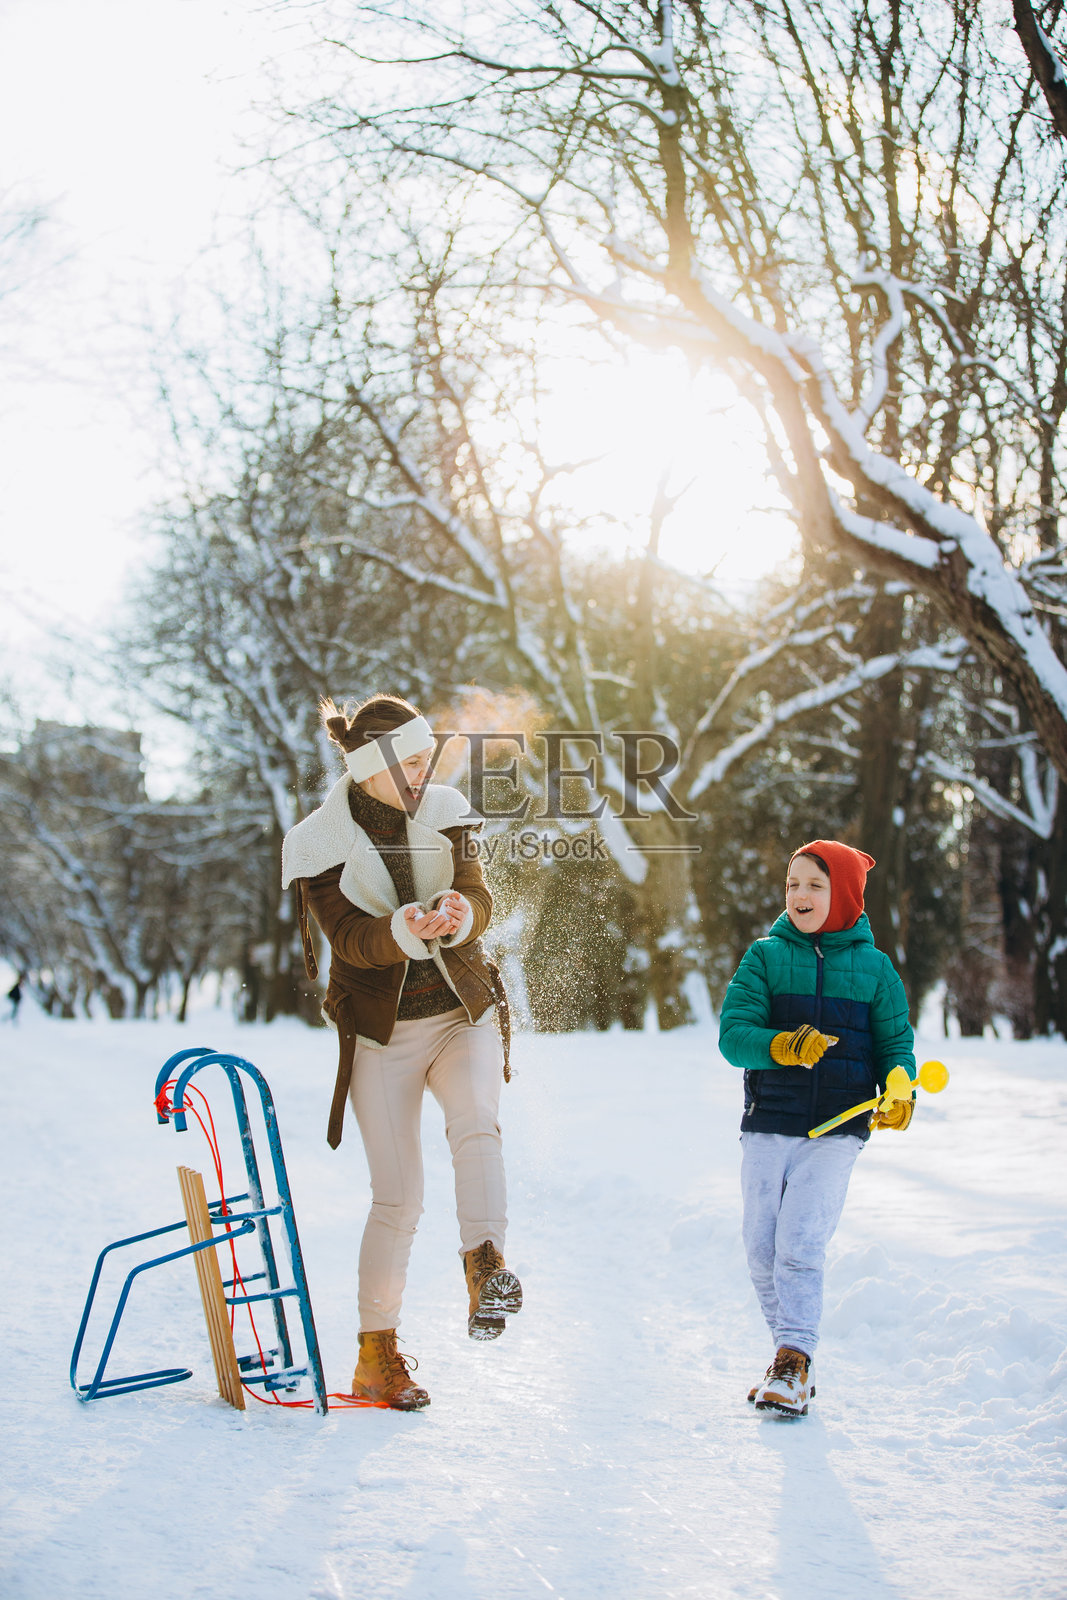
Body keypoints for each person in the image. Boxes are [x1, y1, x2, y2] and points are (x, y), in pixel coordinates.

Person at [281, 693, 520, 1410]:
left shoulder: (443, 810)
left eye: (425, 759)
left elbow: (479, 893)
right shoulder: (318, 842)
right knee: (398, 1197)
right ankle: (375, 1357)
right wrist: (403, 928)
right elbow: (349, 938)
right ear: (371, 766)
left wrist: (461, 913)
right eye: (410, 761)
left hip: (458, 1012)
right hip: (379, 1035)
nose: (422, 772)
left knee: (477, 1120)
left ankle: (486, 1269)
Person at [717, 839, 915, 1417]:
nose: (800, 895)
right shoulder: (766, 957)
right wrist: (782, 1045)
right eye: (793, 884)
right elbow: (734, 1037)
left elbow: (894, 1046)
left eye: (815, 885)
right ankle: (790, 1358)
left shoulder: (876, 970)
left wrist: (899, 1087)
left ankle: (792, 1360)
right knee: (761, 1248)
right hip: (769, 1121)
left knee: (800, 1243)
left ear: (846, 895)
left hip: (840, 1128)